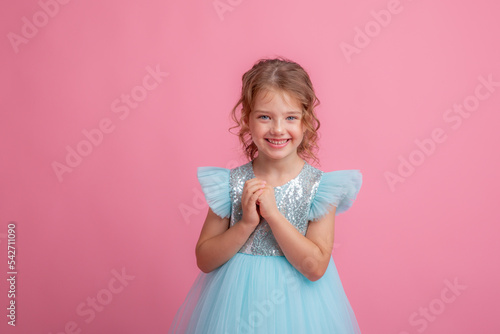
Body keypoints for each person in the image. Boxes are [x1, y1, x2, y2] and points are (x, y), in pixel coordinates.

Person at [168, 57, 363, 333]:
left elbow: (315, 267)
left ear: (307, 121)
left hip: (299, 309)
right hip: (235, 309)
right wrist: (247, 223)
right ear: (246, 119)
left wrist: (272, 215)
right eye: (264, 117)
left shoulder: (318, 189)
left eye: (291, 117)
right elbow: (205, 259)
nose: (278, 129)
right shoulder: (232, 184)